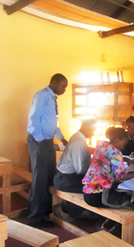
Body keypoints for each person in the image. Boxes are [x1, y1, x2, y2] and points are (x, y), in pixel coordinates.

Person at [27, 73, 68, 228]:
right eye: (63, 86)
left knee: (48, 177)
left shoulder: (52, 99)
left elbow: (52, 123)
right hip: (40, 141)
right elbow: (33, 120)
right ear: (54, 83)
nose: (64, 90)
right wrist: (40, 141)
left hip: (47, 141)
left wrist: (62, 138)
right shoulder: (42, 95)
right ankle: (35, 219)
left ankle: (42, 212)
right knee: (40, 179)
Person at [82, 127, 134, 208]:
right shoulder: (116, 152)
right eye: (124, 144)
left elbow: (106, 157)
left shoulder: (101, 145)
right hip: (99, 197)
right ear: (117, 140)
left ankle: (110, 220)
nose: (123, 147)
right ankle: (117, 220)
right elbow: (122, 176)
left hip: (87, 193)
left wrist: (124, 159)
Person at [53, 118, 96, 222]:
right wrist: (94, 165)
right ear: (86, 128)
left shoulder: (78, 137)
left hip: (64, 177)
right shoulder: (78, 142)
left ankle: (78, 210)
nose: (94, 133)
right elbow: (80, 170)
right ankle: (64, 209)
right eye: (93, 130)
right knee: (95, 189)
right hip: (65, 180)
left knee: (94, 183)